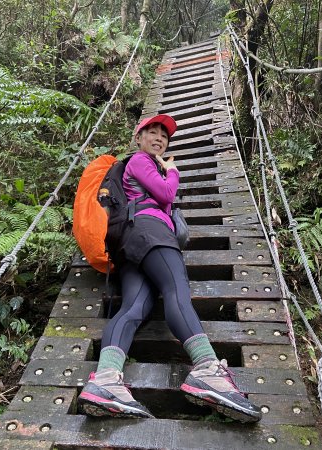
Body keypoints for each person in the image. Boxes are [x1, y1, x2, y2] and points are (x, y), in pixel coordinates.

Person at [77, 114, 262, 423]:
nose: (159, 137)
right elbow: (166, 194)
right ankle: (207, 370)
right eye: (152, 131)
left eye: (164, 135)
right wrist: (173, 171)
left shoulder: (140, 166)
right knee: (175, 291)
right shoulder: (140, 160)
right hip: (150, 232)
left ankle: (106, 380)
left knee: (135, 307)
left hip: (130, 244)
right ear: (138, 138)